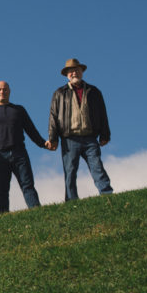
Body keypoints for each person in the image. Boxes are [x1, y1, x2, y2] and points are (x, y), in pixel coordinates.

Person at [46, 58, 113, 201]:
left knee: (97, 167)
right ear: (66, 75)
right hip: (69, 138)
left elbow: (102, 114)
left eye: (76, 70)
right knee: (70, 172)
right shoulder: (59, 93)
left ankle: (107, 194)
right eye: (70, 71)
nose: (74, 73)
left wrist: (105, 134)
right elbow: (53, 116)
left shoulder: (94, 91)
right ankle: (71, 201)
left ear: (82, 72)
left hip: (90, 138)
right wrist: (53, 138)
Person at [0, 80, 47, 214]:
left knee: (28, 186)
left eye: (4, 89)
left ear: (9, 91)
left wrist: (43, 143)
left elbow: (31, 130)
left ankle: (38, 213)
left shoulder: (19, 110)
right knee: (2, 190)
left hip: (19, 154)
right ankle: (3, 218)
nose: (2, 92)